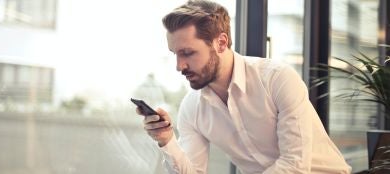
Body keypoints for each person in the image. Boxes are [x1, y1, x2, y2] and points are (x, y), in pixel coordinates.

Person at [136, 0, 352, 173]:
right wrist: (167, 141)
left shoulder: (277, 79)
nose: (179, 66)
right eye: (175, 54)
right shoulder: (192, 108)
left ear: (221, 43)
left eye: (188, 53)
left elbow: (295, 165)